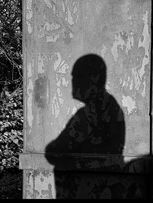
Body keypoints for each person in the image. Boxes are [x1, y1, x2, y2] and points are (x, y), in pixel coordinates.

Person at [45, 54, 125, 198]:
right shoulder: (109, 105)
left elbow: (56, 149)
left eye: (77, 77)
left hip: (89, 189)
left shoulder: (91, 113)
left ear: (93, 78)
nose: (73, 82)